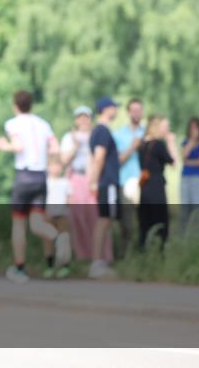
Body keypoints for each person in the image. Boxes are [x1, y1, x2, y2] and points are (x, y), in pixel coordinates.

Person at [0, 90, 70, 283]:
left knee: (19, 223)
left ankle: (19, 267)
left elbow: (18, 146)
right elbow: (55, 148)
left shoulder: (13, 123)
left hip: (24, 176)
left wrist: (4, 145)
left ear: (15, 105)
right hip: (40, 177)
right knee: (37, 222)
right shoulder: (43, 124)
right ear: (32, 105)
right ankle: (57, 237)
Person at [60, 105, 110, 261]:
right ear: (76, 120)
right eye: (80, 117)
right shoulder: (69, 137)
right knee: (77, 217)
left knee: (96, 216)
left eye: (86, 117)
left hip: (93, 179)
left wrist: (94, 179)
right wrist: (75, 146)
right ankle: (82, 255)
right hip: (75, 179)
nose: (83, 120)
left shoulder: (96, 135)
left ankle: (102, 255)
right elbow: (63, 161)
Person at [86, 97, 121, 279]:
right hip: (106, 181)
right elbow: (98, 157)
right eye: (114, 107)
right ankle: (97, 262)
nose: (116, 110)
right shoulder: (102, 131)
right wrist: (93, 182)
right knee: (104, 220)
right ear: (106, 109)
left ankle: (100, 260)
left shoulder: (99, 131)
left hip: (105, 181)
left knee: (105, 220)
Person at [137, 115, 180, 250]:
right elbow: (174, 162)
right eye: (165, 127)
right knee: (161, 220)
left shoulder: (142, 144)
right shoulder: (159, 145)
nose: (167, 130)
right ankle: (160, 251)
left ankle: (143, 250)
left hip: (144, 185)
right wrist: (172, 143)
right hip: (156, 185)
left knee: (145, 221)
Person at [113, 98, 145, 258]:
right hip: (125, 182)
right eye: (133, 110)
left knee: (144, 221)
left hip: (144, 182)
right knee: (127, 224)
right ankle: (125, 256)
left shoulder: (146, 133)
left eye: (139, 110)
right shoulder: (119, 134)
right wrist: (132, 147)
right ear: (128, 112)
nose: (136, 113)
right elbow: (118, 160)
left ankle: (143, 256)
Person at [179, 117, 199, 230]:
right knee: (185, 208)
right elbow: (183, 157)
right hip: (186, 177)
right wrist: (191, 142)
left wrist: (189, 162)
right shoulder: (186, 142)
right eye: (191, 128)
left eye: (196, 127)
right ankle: (184, 234)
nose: (194, 130)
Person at [45, 156, 72, 278]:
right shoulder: (45, 182)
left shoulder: (65, 182)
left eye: (58, 165)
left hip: (62, 213)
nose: (55, 168)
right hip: (49, 213)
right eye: (53, 165)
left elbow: (70, 199)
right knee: (48, 240)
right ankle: (49, 266)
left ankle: (65, 265)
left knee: (64, 239)